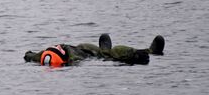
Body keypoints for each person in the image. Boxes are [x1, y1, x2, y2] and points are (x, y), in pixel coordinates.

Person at [24, 33, 165, 66]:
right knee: (111, 53)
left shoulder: (43, 57)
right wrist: (132, 59)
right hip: (89, 53)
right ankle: (150, 51)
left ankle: (105, 48)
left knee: (105, 52)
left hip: (83, 48)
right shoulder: (42, 56)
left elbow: (28, 56)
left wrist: (28, 55)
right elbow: (29, 55)